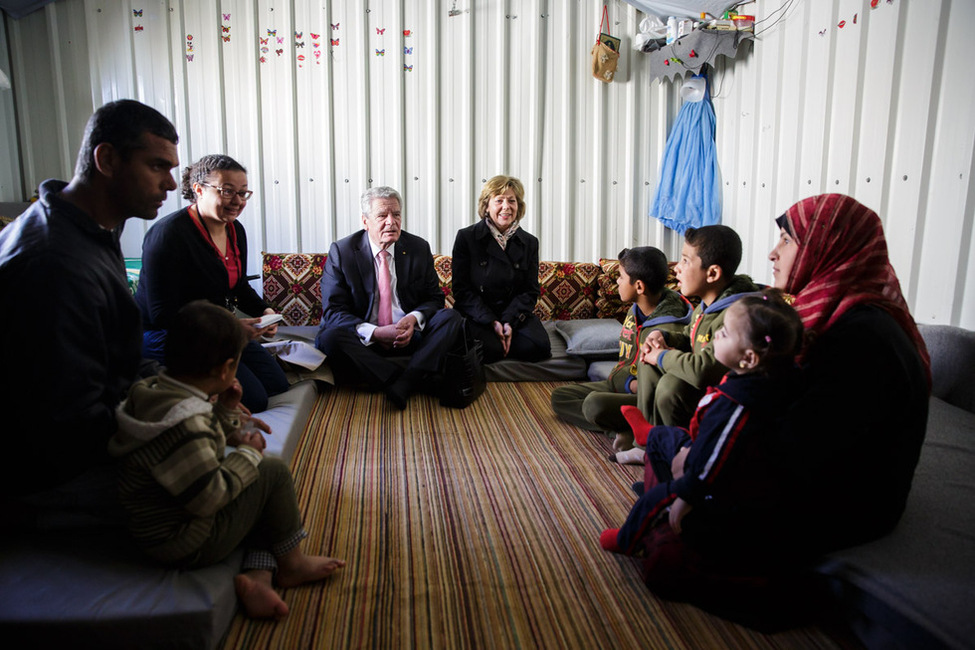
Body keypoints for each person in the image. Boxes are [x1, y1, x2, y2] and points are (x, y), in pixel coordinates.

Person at [110, 301, 344, 620]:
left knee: (256, 483)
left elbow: (192, 447)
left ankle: (258, 577)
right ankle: (292, 564)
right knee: (269, 473)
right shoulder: (185, 424)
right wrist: (247, 454)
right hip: (184, 540)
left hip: (162, 522)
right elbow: (209, 497)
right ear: (226, 369)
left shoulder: (154, 390)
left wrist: (222, 412)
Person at [0, 99, 179, 511]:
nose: (171, 184)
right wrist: (180, 423)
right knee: (223, 480)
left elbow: (120, 361)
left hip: (84, 435)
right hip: (47, 472)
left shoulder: (91, 230)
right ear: (108, 159)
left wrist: (184, 393)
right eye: (157, 166)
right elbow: (66, 426)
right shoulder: (53, 264)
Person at [769, 194, 930, 558]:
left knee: (683, 528)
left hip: (851, 511)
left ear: (827, 247)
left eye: (787, 239)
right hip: (841, 484)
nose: (773, 253)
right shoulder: (845, 312)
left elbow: (802, 444)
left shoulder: (860, 337)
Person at [599, 291, 804, 563]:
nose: (717, 335)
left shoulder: (740, 405)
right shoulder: (754, 381)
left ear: (750, 358)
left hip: (710, 489)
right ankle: (650, 435)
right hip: (705, 453)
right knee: (664, 435)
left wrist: (686, 493)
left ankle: (627, 539)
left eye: (726, 334)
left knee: (654, 499)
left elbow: (716, 459)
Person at [135, 154, 288, 413]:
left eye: (243, 192)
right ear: (198, 189)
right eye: (227, 191)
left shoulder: (235, 229)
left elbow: (238, 286)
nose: (238, 201)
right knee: (255, 400)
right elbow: (162, 315)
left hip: (219, 331)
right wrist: (229, 327)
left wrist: (265, 312)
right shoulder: (168, 235)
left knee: (277, 383)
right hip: (173, 335)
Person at [617, 225, 759, 464]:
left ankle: (673, 455)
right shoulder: (705, 305)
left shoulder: (735, 314)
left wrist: (661, 356)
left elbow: (704, 369)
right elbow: (689, 335)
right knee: (648, 356)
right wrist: (664, 337)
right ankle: (646, 445)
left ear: (712, 274)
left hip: (720, 393)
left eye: (685, 261)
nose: (677, 269)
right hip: (699, 382)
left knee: (670, 386)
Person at [314, 186, 464, 409]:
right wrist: (375, 332)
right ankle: (409, 380)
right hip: (365, 339)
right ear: (365, 221)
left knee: (451, 318)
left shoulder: (417, 247)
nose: (391, 222)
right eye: (382, 216)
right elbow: (334, 310)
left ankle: (401, 381)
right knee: (329, 337)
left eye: (396, 214)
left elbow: (434, 298)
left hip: (408, 335)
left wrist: (413, 319)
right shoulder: (342, 251)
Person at [550, 246, 691, 439]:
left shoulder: (667, 329)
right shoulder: (637, 309)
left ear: (639, 287)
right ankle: (625, 427)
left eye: (621, 277)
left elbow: (663, 386)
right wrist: (622, 381)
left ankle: (633, 431)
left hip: (644, 398)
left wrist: (630, 385)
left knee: (594, 404)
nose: (617, 281)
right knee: (561, 397)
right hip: (621, 382)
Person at [451, 175, 551, 363]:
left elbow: (530, 291)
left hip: (513, 314)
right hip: (478, 314)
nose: (506, 207)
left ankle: (504, 340)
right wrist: (492, 322)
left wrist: (508, 322)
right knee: (490, 348)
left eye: (512, 201)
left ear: (518, 206)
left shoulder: (529, 242)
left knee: (539, 348)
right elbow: (461, 290)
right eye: (499, 200)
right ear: (487, 206)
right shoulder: (467, 237)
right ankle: (498, 344)